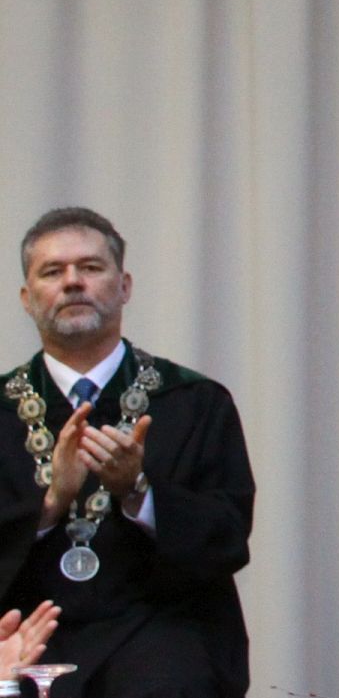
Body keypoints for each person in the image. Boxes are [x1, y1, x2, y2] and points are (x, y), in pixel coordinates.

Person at [0, 208, 254, 697]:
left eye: (90, 267)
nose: (73, 281)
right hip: (22, 632)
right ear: (27, 299)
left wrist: (138, 493)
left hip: (158, 634)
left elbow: (227, 539)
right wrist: (50, 503)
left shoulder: (194, 402)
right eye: (53, 271)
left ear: (124, 286)